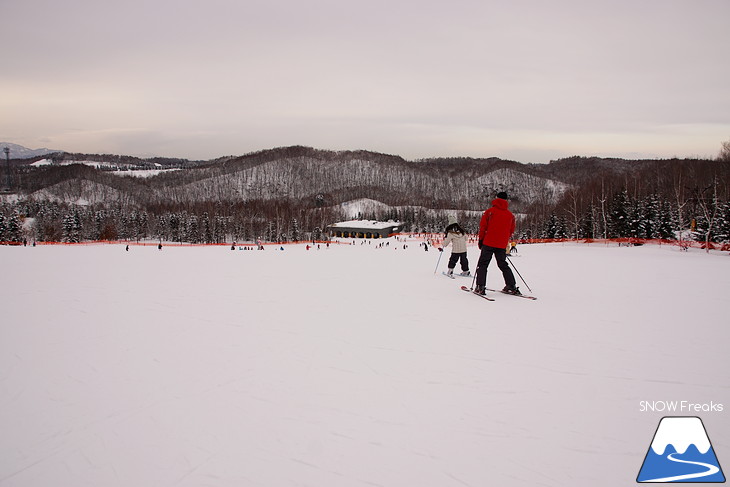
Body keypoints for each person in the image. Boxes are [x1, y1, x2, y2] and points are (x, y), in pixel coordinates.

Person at [474, 192, 520, 295]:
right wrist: (503, 240)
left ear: (496, 199)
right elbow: (511, 231)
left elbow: (483, 228)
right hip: (501, 244)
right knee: (503, 264)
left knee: (483, 264)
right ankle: (511, 285)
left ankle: (480, 286)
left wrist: (481, 241)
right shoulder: (510, 215)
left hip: (489, 242)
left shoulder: (489, 212)